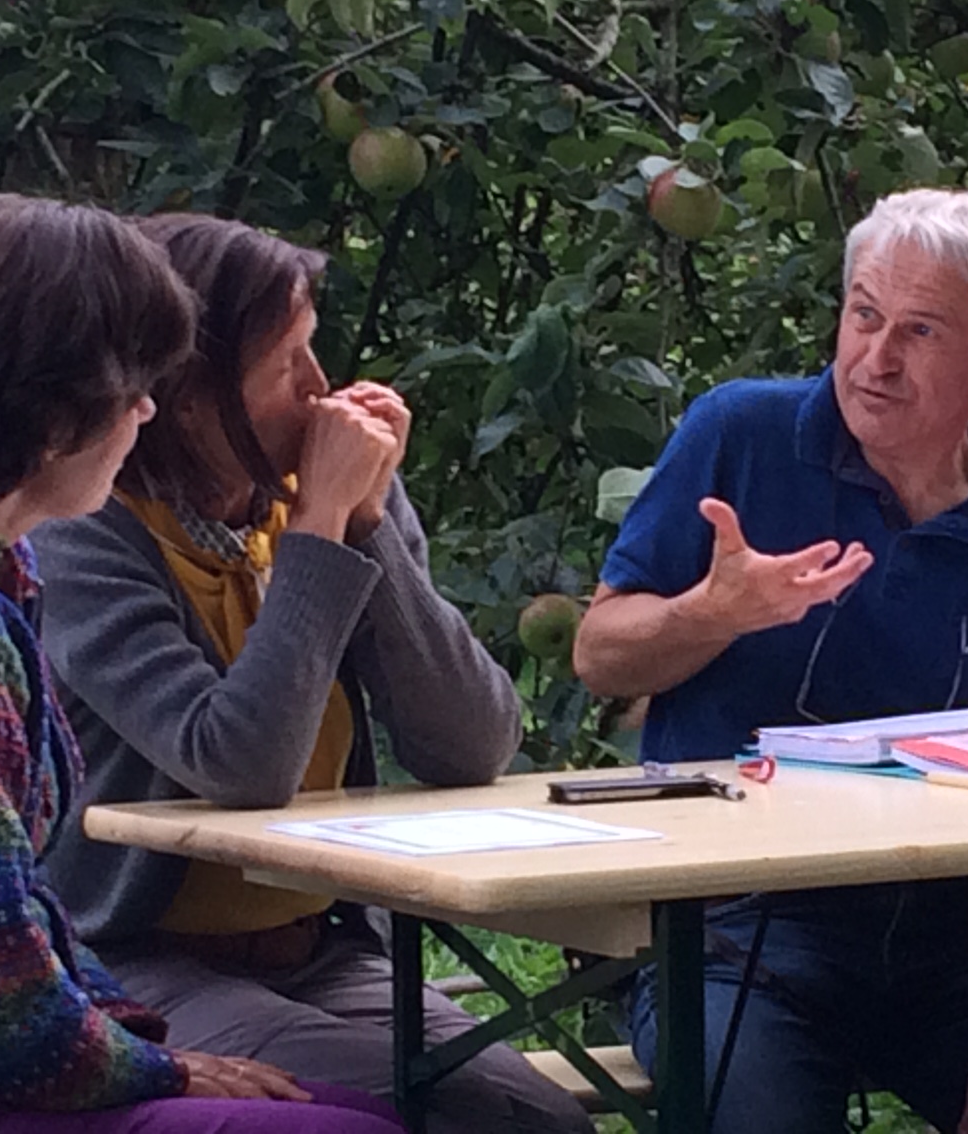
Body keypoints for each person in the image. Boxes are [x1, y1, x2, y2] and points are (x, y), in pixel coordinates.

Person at [574, 185, 968, 1134]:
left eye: (922, 332)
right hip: (733, 942)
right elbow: (600, 657)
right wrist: (713, 612)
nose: (875, 360)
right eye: (863, 316)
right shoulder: (742, 433)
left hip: (943, 964)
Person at [31, 214, 593, 1134]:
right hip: (132, 957)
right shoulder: (85, 531)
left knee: (534, 1120)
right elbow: (241, 763)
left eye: (315, 351)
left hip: (319, 949)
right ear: (190, 394)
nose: (322, 390)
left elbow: (472, 742)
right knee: (401, 1115)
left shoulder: (319, 500)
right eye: (287, 363)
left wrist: (368, 528)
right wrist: (323, 527)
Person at [0, 194, 404, 1134]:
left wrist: (365, 521)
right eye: (134, 387)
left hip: (46, 1030)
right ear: (53, 415)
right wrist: (148, 1069)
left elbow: (18, 913)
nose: (148, 411)